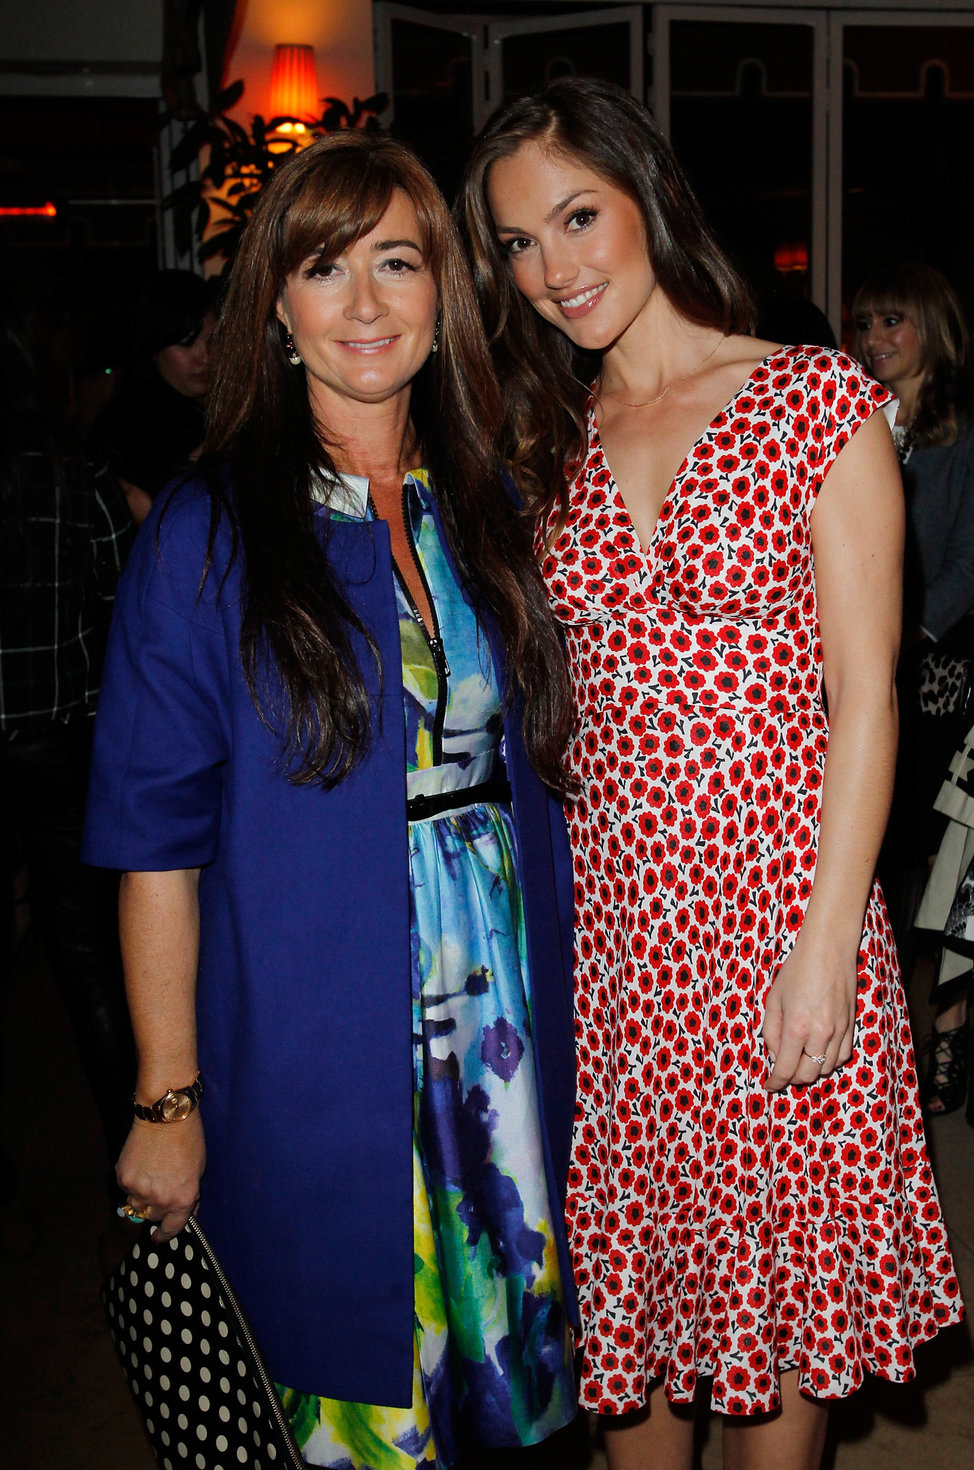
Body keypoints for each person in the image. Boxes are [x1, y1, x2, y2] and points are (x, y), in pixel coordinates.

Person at [461, 76, 962, 1470]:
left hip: (777, 919)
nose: (553, 268)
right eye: (516, 243)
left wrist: (822, 950)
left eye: (576, 217)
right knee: (635, 1345)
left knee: (776, 1334)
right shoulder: (533, 444)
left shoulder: (812, 398)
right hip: (622, 942)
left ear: (646, 199)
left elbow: (867, 698)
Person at [82, 132, 580, 1469]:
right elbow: (155, 846)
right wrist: (166, 1097)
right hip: (313, 1036)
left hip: (507, 1025)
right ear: (276, 309)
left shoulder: (487, 506)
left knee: (509, 1401)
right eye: (322, 267)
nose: (364, 303)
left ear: (443, 298)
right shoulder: (207, 533)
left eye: (398, 263)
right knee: (356, 1401)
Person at [0, 277, 135, 1185]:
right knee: (90, 968)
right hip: (57, 749)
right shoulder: (73, 470)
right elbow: (124, 615)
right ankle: (132, 1147)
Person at [854, 264, 974, 1115]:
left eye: (892, 319)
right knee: (890, 860)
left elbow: (967, 560)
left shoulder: (960, 432)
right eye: (864, 323)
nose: (874, 338)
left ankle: (946, 1039)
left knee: (942, 867)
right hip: (875, 665)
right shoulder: (861, 420)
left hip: (941, 670)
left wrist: (914, 635)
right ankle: (900, 1038)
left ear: (931, 325)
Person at [88, 269, 217, 523]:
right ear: (154, 347)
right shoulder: (127, 425)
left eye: (213, 342)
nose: (205, 358)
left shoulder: (217, 404)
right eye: (186, 343)